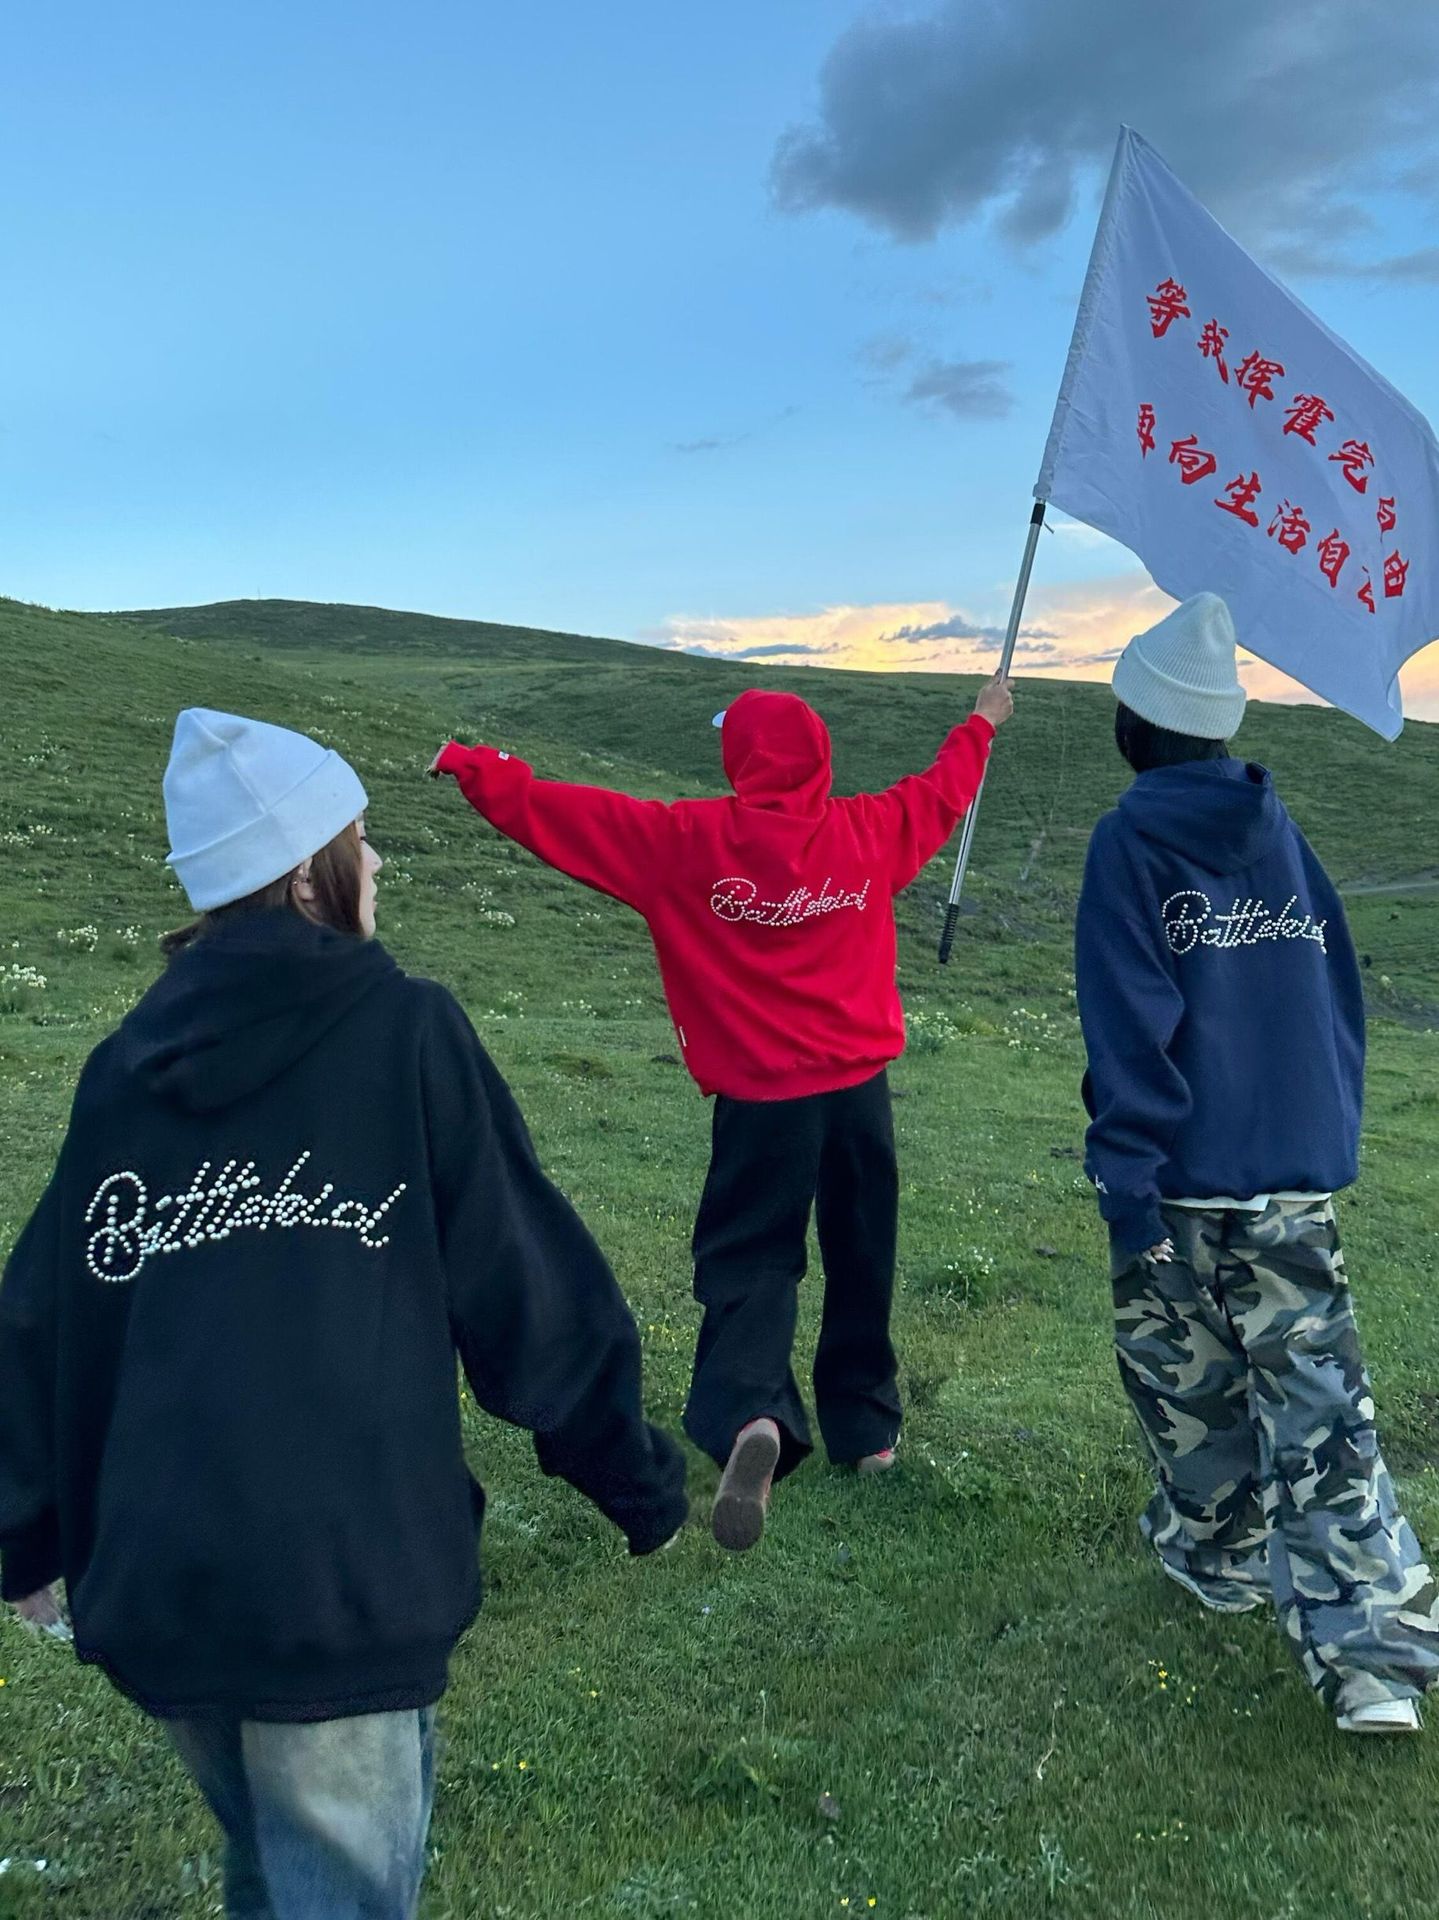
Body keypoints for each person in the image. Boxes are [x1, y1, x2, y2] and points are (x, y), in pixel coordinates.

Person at [0, 708, 687, 1920]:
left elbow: (47, 1313)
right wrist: (635, 1479)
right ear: (309, 876)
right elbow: (525, 1292)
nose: (377, 864)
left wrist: (23, 1531)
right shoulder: (404, 1031)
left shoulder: (125, 1067)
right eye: (359, 840)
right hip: (338, 1589)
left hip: (166, 1588)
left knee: (271, 1874)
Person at [430, 671, 1014, 1551]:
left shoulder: (685, 840)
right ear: (820, 757)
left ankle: (752, 1415)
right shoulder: (867, 828)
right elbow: (940, 794)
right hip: (860, 1095)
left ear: (739, 761)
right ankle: (868, 1434)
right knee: (862, 1254)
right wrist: (980, 722)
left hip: (761, 1104)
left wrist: (475, 767)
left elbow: (563, 816)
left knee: (751, 1258)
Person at [1074, 591, 1439, 1735]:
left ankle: (1248, 1573)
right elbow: (1332, 996)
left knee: (1181, 1382)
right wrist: (1321, 1132)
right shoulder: (1276, 833)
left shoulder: (1127, 841)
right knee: (1314, 1405)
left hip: (1181, 1183)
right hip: (1288, 1180)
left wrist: (1123, 1184)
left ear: (1132, 724)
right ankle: (1348, 1638)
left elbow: (1127, 1027)